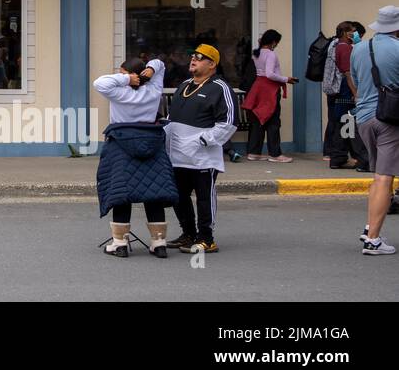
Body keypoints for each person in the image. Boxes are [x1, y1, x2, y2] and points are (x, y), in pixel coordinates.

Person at [94, 58, 176, 257]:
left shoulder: (119, 92)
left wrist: (124, 79)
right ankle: (159, 243)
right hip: (151, 142)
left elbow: (99, 83)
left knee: (122, 193)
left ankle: (120, 243)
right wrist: (150, 69)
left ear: (128, 74)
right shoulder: (154, 90)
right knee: (153, 192)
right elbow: (160, 63)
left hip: (121, 145)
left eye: (123, 72)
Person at [164, 44, 237, 253]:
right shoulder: (184, 85)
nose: (193, 59)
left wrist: (202, 140)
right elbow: (172, 117)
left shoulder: (220, 87)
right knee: (178, 197)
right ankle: (188, 234)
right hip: (177, 157)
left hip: (203, 158)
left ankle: (206, 238)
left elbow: (229, 123)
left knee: (204, 198)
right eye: (192, 56)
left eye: (199, 57)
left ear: (212, 64)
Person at [350, 5, 399, 255]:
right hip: (389, 119)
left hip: (365, 117)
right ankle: (373, 240)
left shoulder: (359, 49)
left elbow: (356, 82)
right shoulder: (398, 49)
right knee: (385, 178)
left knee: (377, 176)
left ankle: (370, 226)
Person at [242, 29, 296, 162]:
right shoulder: (271, 54)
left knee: (257, 120)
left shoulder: (256, 54)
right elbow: (270, 74)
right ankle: (275, 154)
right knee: (273, 121)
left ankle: (254, 152)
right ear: (273, 42)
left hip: (258, 87)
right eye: (277, 42)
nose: (276, 45)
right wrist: (286, 79)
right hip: (269, 89)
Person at [324, 21, 364, 169]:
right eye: (352, 31)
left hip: (338, 91)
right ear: (344, 33)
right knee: (346, 124)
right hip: (344, 91)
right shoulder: (345, 48)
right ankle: (339, 158)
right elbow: (348, 73)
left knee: (343, 124)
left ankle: (343, 157)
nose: (355, 34)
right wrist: (355, 92)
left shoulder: (335, 46)